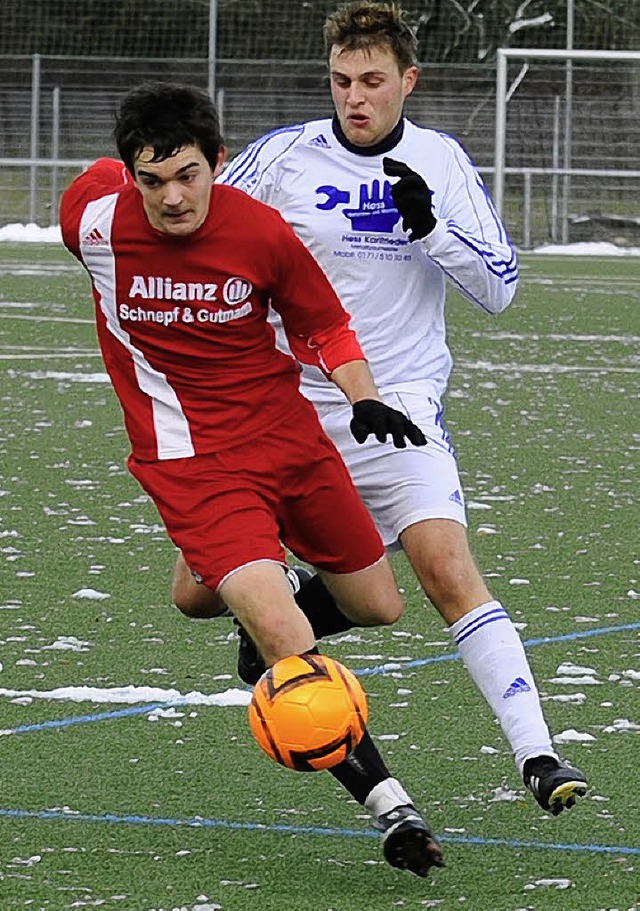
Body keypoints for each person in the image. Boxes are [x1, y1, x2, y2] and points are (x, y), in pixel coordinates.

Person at [172, 1, 588, 817]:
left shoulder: (440, 159)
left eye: (371, 81)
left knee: (444, 567)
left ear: (408, 81)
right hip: (284, 403)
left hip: (395, 405)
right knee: (194, 592)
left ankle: (538, 752)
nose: (354, 98)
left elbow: (500, 288)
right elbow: (205, 228)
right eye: (340, 81)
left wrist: (430, 227)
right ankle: (281, 601)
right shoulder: (284, 156)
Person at [59, 80, 445, 878]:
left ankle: (231, 587)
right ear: (129, 173)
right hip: (191, 462)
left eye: (189, 175)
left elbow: (324, 321)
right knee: (284, 636)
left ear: (218, 164)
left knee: (377, 603)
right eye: (152, 179)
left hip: (286, 439)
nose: (172, 197)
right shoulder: (93, 217)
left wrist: (364, 397)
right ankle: (391, 805)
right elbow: (97, 179)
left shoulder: (261, 231)